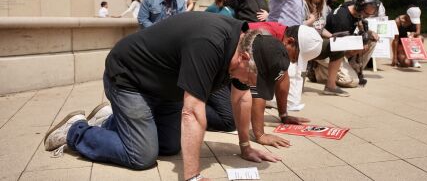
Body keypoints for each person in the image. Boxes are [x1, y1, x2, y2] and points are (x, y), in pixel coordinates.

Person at [43, 12, 290, 180]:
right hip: (130, 78)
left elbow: (241, 98)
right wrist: (192, 177)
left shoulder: (244, 44)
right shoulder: (209, 43)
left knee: (171, 146)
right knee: (141, 155)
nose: (251, 85)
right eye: (254, 80)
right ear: (246, 58)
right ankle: (75, 131)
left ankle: (110, 120)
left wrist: (245, 147)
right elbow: (192, 112)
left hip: (165, 88)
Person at [207, 23, 335, 148]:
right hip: (217, 66)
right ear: (290, 42)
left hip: (234, 71)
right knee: (229, 121)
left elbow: (283, 77)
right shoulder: (265, 36)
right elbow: (257, 88)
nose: (292, 61)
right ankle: (192, 101)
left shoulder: (281, 41)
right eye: (294, 57)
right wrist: (260, 134)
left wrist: (284, 115)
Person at [262, 0, 318, 111]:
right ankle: (283, 104)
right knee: (288, 72)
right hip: (280, 34)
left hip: (292, 34)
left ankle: (285, 103)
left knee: (293, 73)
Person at [324, 0, 381, 93]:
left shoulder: (352, 6)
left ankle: (352, 69)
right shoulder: (342, 19)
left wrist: (369, 33)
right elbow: (339, 50)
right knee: (352, 81)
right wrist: (355, 50)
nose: (367, 16)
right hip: (329, 51)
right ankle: (320, 72)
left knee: (371, 39)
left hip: (340, 44)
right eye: (366, 13)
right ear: (359, 8)